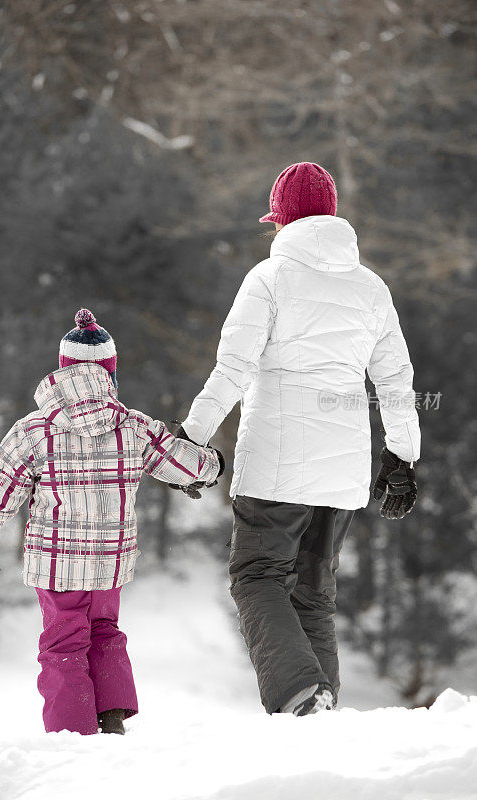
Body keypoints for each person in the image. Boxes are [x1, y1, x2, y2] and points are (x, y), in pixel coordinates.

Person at [178, 162, 420, 717]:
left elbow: (232, 366)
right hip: (343, 467)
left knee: (257, 574)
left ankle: (298, 696)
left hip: (277, 461)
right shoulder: (371, 287)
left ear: (281, 219)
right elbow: (396, 379)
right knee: (313, 592)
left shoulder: (269, 278)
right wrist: (403, 456)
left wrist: (190, 438)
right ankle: (320, 710)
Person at [0, 308, 224, 735]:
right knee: (104, 630)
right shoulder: (133, 426)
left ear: (63, 370)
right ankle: (111, 717)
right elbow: (188, 465)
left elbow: (3, 487)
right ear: (109, 373)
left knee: (64, 641)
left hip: (58, 560)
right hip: (110, 561)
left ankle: (72, 734)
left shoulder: (35, 429)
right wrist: (212, 464)